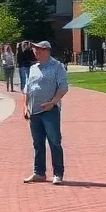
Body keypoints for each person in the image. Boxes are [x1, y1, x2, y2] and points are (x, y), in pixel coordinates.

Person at [22, 40, 69, 185]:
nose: (35, 51)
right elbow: (27, 89)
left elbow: (63, 87)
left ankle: (58, 174)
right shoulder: (33, 68)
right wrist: (25, 106)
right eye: (34, 49)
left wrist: (53, 102)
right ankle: (39, 173)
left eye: (39, 49)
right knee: (37, 143)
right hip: (34, 112)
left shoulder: (57, 66)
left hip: (50, 111)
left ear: (47, 50)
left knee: (54, 141)